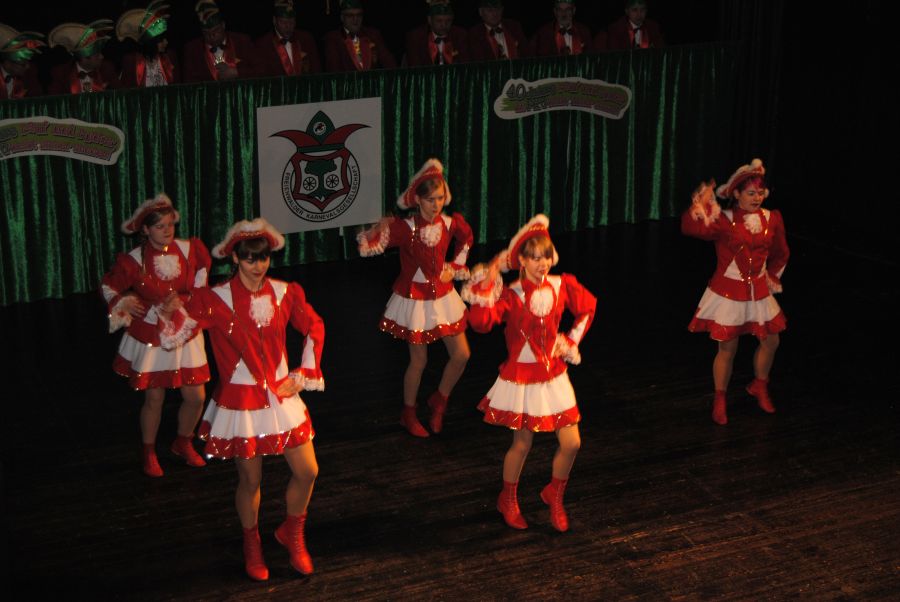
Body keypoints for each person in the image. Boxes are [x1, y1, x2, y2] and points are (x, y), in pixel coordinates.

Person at [159, 218, 325, 581]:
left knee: (308, 470)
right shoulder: (215, 299)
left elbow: (314, 326)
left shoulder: (285, 292)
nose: (258, 265)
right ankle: (252, 544)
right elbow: (176, 331)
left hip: (281, 395)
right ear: (235, 259)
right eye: (249, 258)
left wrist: (303, 372)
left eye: (263, 257)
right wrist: (171, 311)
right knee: (251, 480)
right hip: (240, 402)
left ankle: (292, 532)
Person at [462, 215, 596, 532]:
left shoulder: (562, 285)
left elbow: (588, 308)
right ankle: (507, 499)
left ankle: (555, 495)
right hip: (521, 378)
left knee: (572, 443)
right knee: (522, 445)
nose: (542, 263)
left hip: (554, 374)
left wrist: (570, 340)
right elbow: (480, 324)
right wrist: (486, 284)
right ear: (521, 260)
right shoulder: (511, 294)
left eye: (545, 256)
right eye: (534, 257)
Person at [357, 158, 472, 437]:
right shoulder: (406, 228)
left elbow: (466, 238)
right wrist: (375, 230)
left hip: (443, 297)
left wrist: (455, 266)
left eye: (440, 198)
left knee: (462, 354)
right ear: (418, 200)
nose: (436, 204)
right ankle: (408, 413)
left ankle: (439, 400)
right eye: (430, 199)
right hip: (415, 300)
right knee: (419, 361)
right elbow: (369, 246)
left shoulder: (450, 223)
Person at [101, 193, 211, 477]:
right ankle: (149, 451)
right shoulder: (133, 260)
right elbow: (109, 287)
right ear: (146, 230)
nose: (167, 230)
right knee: (154, 398)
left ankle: (182, 442)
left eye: (170, 224)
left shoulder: (190, 250)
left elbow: (201, 280)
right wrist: (125, 303)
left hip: (185, 330)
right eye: (159, 226)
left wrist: (187, 299)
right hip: (152, 332)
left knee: (196, 396)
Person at [682, 159, 789, 425]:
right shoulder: (724, 220)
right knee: (728, 348)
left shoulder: (771, 218)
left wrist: (771, 277)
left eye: (760, 192)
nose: (757, 198)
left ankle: (759, 385)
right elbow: (691, 228)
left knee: (771, 341)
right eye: (751, 193)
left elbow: (781, 252)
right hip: (729, 293)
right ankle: (720, 398)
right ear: (737, 194)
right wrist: (701, 205)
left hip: (759, 291)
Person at [182, 0, 259, 83]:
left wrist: (236, 72)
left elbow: (260, 70)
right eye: (206, 33)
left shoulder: (241, 41)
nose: (212, 36)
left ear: (223, 25)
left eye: (216, 31)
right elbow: (189, 81)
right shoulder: (193, 49)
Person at [116, 0, 181, 88]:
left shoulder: (170, 57)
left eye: (166, 38)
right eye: (161, 39)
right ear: (150, 42)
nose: (166, 42)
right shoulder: (132, 61)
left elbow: (178, 89)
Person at [47, 20, 120, 95]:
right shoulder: (62, 73)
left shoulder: (107, 68)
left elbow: (120, 93)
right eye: (97, 55)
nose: (102, 57)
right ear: (85, 59)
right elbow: (54, 98)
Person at [323, 0, 396, 73]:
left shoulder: (372, 34)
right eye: (350, 15)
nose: (355, 19)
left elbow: (389, 63)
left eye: (359, 15)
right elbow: (334, 70)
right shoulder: (333, 38)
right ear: (342, 17)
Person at [255, 0, 322, 77]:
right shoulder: (263, 44)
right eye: (283, 22)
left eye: (291, 22)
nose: (287, 26)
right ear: (274, 21)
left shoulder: (306, 39)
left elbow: (317, 70)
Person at [405, 0, 470, 67]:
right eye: (439, 21)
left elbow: (465, 64)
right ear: (430, 20)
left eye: (448, 21)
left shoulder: (460, 35)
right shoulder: (416, 37)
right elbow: (415, 66)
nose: (444, 25)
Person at [0, 23, 44, 99]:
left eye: (28, 61)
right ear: (7, 64)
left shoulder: (29, 74)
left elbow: (38, 97)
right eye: (23, 64)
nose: (28, 66)